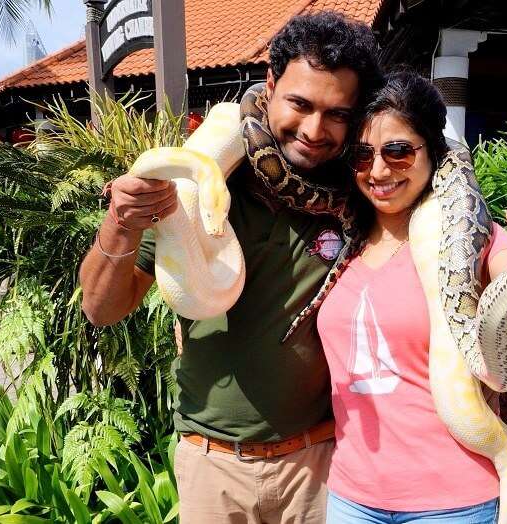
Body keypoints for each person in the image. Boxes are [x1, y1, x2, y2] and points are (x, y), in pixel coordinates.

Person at [79, 12, 381, 524]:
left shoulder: (361, 194)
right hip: (212, 466)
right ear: (269, 87)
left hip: (321, 464)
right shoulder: (195, 184)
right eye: (300, 103)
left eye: (337, 114)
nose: (314, 129)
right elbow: (102, 309)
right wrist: (121, 222)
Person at [317, 70, 507, 523]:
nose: (378, 171)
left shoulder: (468, 233)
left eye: (398, 151)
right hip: (351, 496)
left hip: (451, 501)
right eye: (363, 154)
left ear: (432, 152)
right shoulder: (339, 242)